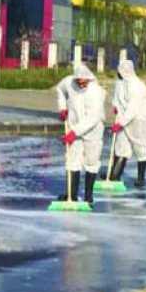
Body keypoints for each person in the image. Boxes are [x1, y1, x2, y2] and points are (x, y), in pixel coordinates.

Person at [60, 65, 105, 204]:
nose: (81, 83)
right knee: (72, 160)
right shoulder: (69, 83)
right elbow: (60, 90)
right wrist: (62, 107)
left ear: (89, 79)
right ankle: (71, 195)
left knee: (91, 161)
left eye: (84, 81)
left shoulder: (95, 92)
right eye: (78, 81)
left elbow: (93, 118)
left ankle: (88, 195)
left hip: (93, 131)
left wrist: (75, 132)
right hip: (74, 127)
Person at [109, 59, 146, 187]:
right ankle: (115, 174)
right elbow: (117, 99)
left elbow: (133, 108)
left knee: (140, 146)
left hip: (139, 120)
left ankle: (141, 177)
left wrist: (120, 123)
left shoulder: (137, 86)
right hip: (124, 118)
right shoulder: (120, 83)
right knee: (121, 145)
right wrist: (115, 107)